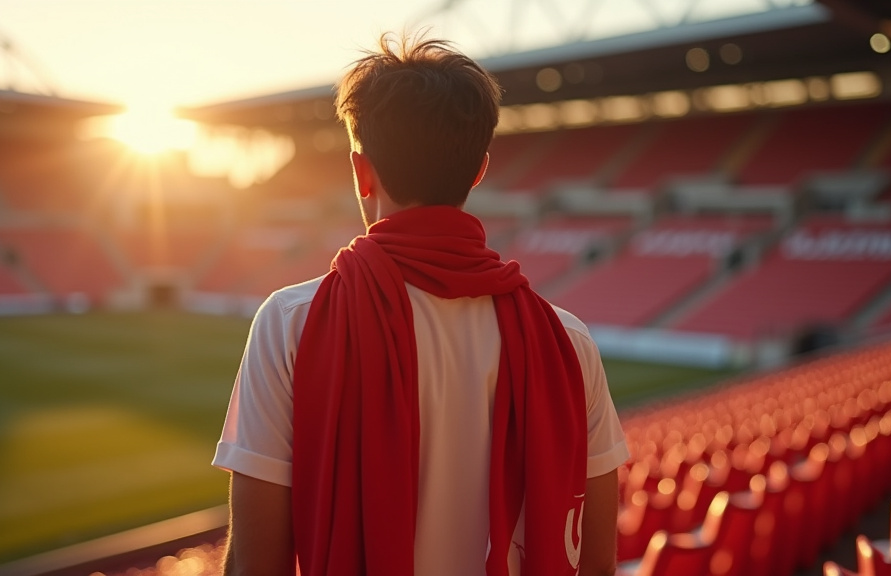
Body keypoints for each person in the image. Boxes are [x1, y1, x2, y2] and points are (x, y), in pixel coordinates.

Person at [212, 32, 629, 576]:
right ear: (480, 169)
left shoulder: (291, 322)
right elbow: (596, 564)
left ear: (361, 172)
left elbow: (255, 566)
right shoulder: (567, 341)